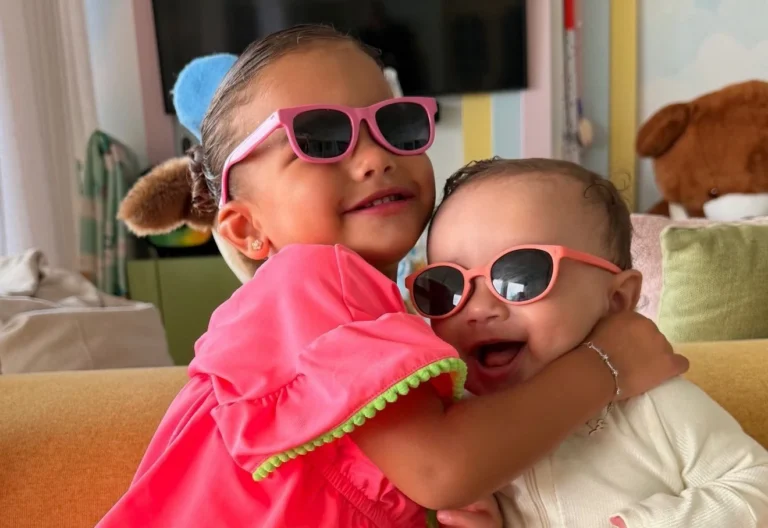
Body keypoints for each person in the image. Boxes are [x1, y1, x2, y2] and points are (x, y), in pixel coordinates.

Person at [97, 26, 687, 528]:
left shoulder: (398, 315)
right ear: (248, 230)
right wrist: (606, 364)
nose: (375, 156)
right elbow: (443, 469)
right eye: (320, 138)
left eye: (395, 125)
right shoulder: (309, 279)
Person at [410, 157, 768, 527]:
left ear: (616, 300)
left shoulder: (652, 403)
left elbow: (756, 486)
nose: (479, 308)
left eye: (521, 276)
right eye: (446, 288)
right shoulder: (464, 433)